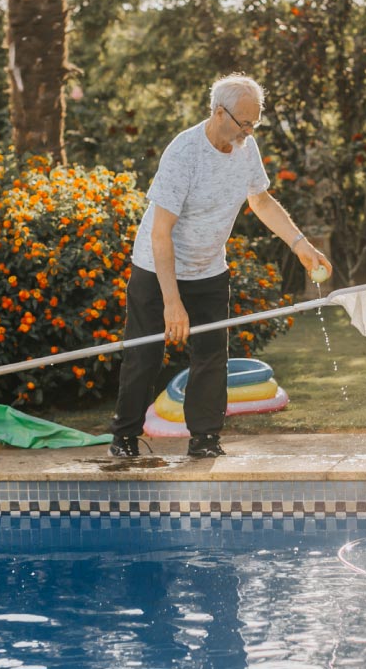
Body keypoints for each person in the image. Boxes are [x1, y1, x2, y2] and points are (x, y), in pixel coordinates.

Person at [109, 75, 330, 459]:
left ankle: (205, 439)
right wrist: (172, 302)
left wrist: (301, 246)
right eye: (244, 122)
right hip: (156, 268)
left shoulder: (246, 147)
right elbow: (161, 234)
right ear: (217, 112)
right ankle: (124, 436)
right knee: (145, 355)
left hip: (209, 269)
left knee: (211, 355)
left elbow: (260, 202)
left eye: (254, 123)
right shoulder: (184, 153)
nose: (249, 130)